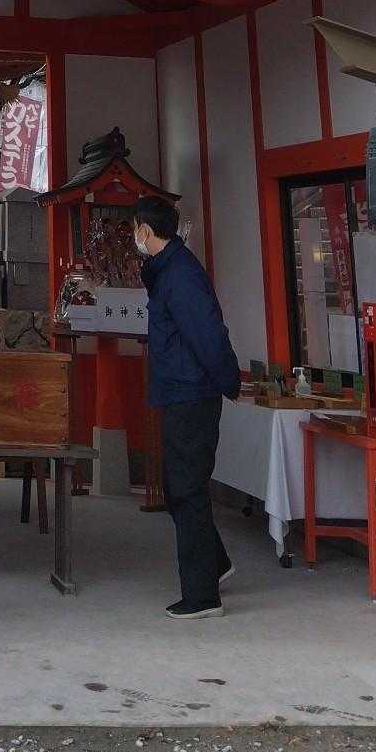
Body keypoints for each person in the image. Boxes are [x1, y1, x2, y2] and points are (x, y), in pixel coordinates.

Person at [132, 196, 240, 620]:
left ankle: (202, 596)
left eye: (135, 229)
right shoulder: (166, 270)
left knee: (187, 489)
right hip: (179, 389)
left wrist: (228, 380)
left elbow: (207, 333)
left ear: (146, 230)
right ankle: (216, 563)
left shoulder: (181, 275)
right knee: (179, 486)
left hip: (192, 393)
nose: (134, 237)